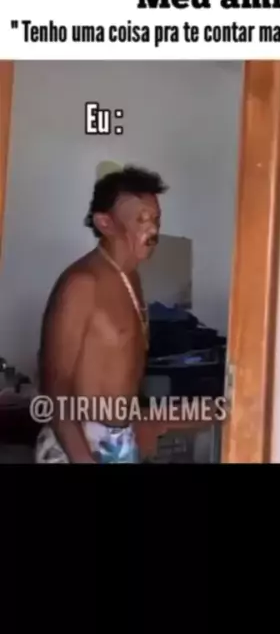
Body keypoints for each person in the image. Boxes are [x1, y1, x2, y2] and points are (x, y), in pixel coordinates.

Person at [34, 164, 168, 463]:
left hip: (120, 440)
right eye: (141, 219)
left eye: (156, 219)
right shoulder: (82, 284)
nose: (153, 230)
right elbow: (55, 388)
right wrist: (83, 458)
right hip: (78, 445)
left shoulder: (131, 277)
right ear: (105, 223)